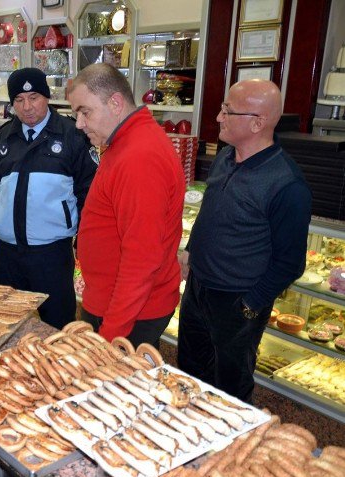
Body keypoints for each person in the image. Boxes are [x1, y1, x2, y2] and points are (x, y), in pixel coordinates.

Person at [178, 79, 312, 403]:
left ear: (257, 122)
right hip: (199, 288)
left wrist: (251, 305)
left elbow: (291, 262)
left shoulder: (287, 184)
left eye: (228, 111)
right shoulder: (226, 157)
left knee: (230, 389)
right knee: (188, 374)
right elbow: (210, 211)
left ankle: (230, 451)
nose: (219, 117)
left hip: (238, 300)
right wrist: (191, 252)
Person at [67, 63, 185, 347]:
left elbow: (141, 260)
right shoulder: (124, 141)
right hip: (114, 302)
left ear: (116, 103)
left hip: (129, 314)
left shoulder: (140, 156)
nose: (79, 124)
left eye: (85, 112)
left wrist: (110, 337)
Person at [0, 67, 97, 329]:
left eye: (34, 98)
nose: (27, 107)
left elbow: (88, 193)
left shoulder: (72, 136)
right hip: (8, 254)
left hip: (51, 254)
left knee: (57, 326)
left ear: (47, 97)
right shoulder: (2, 139)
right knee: (3, 325)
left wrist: (85, 243)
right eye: (19, 100)